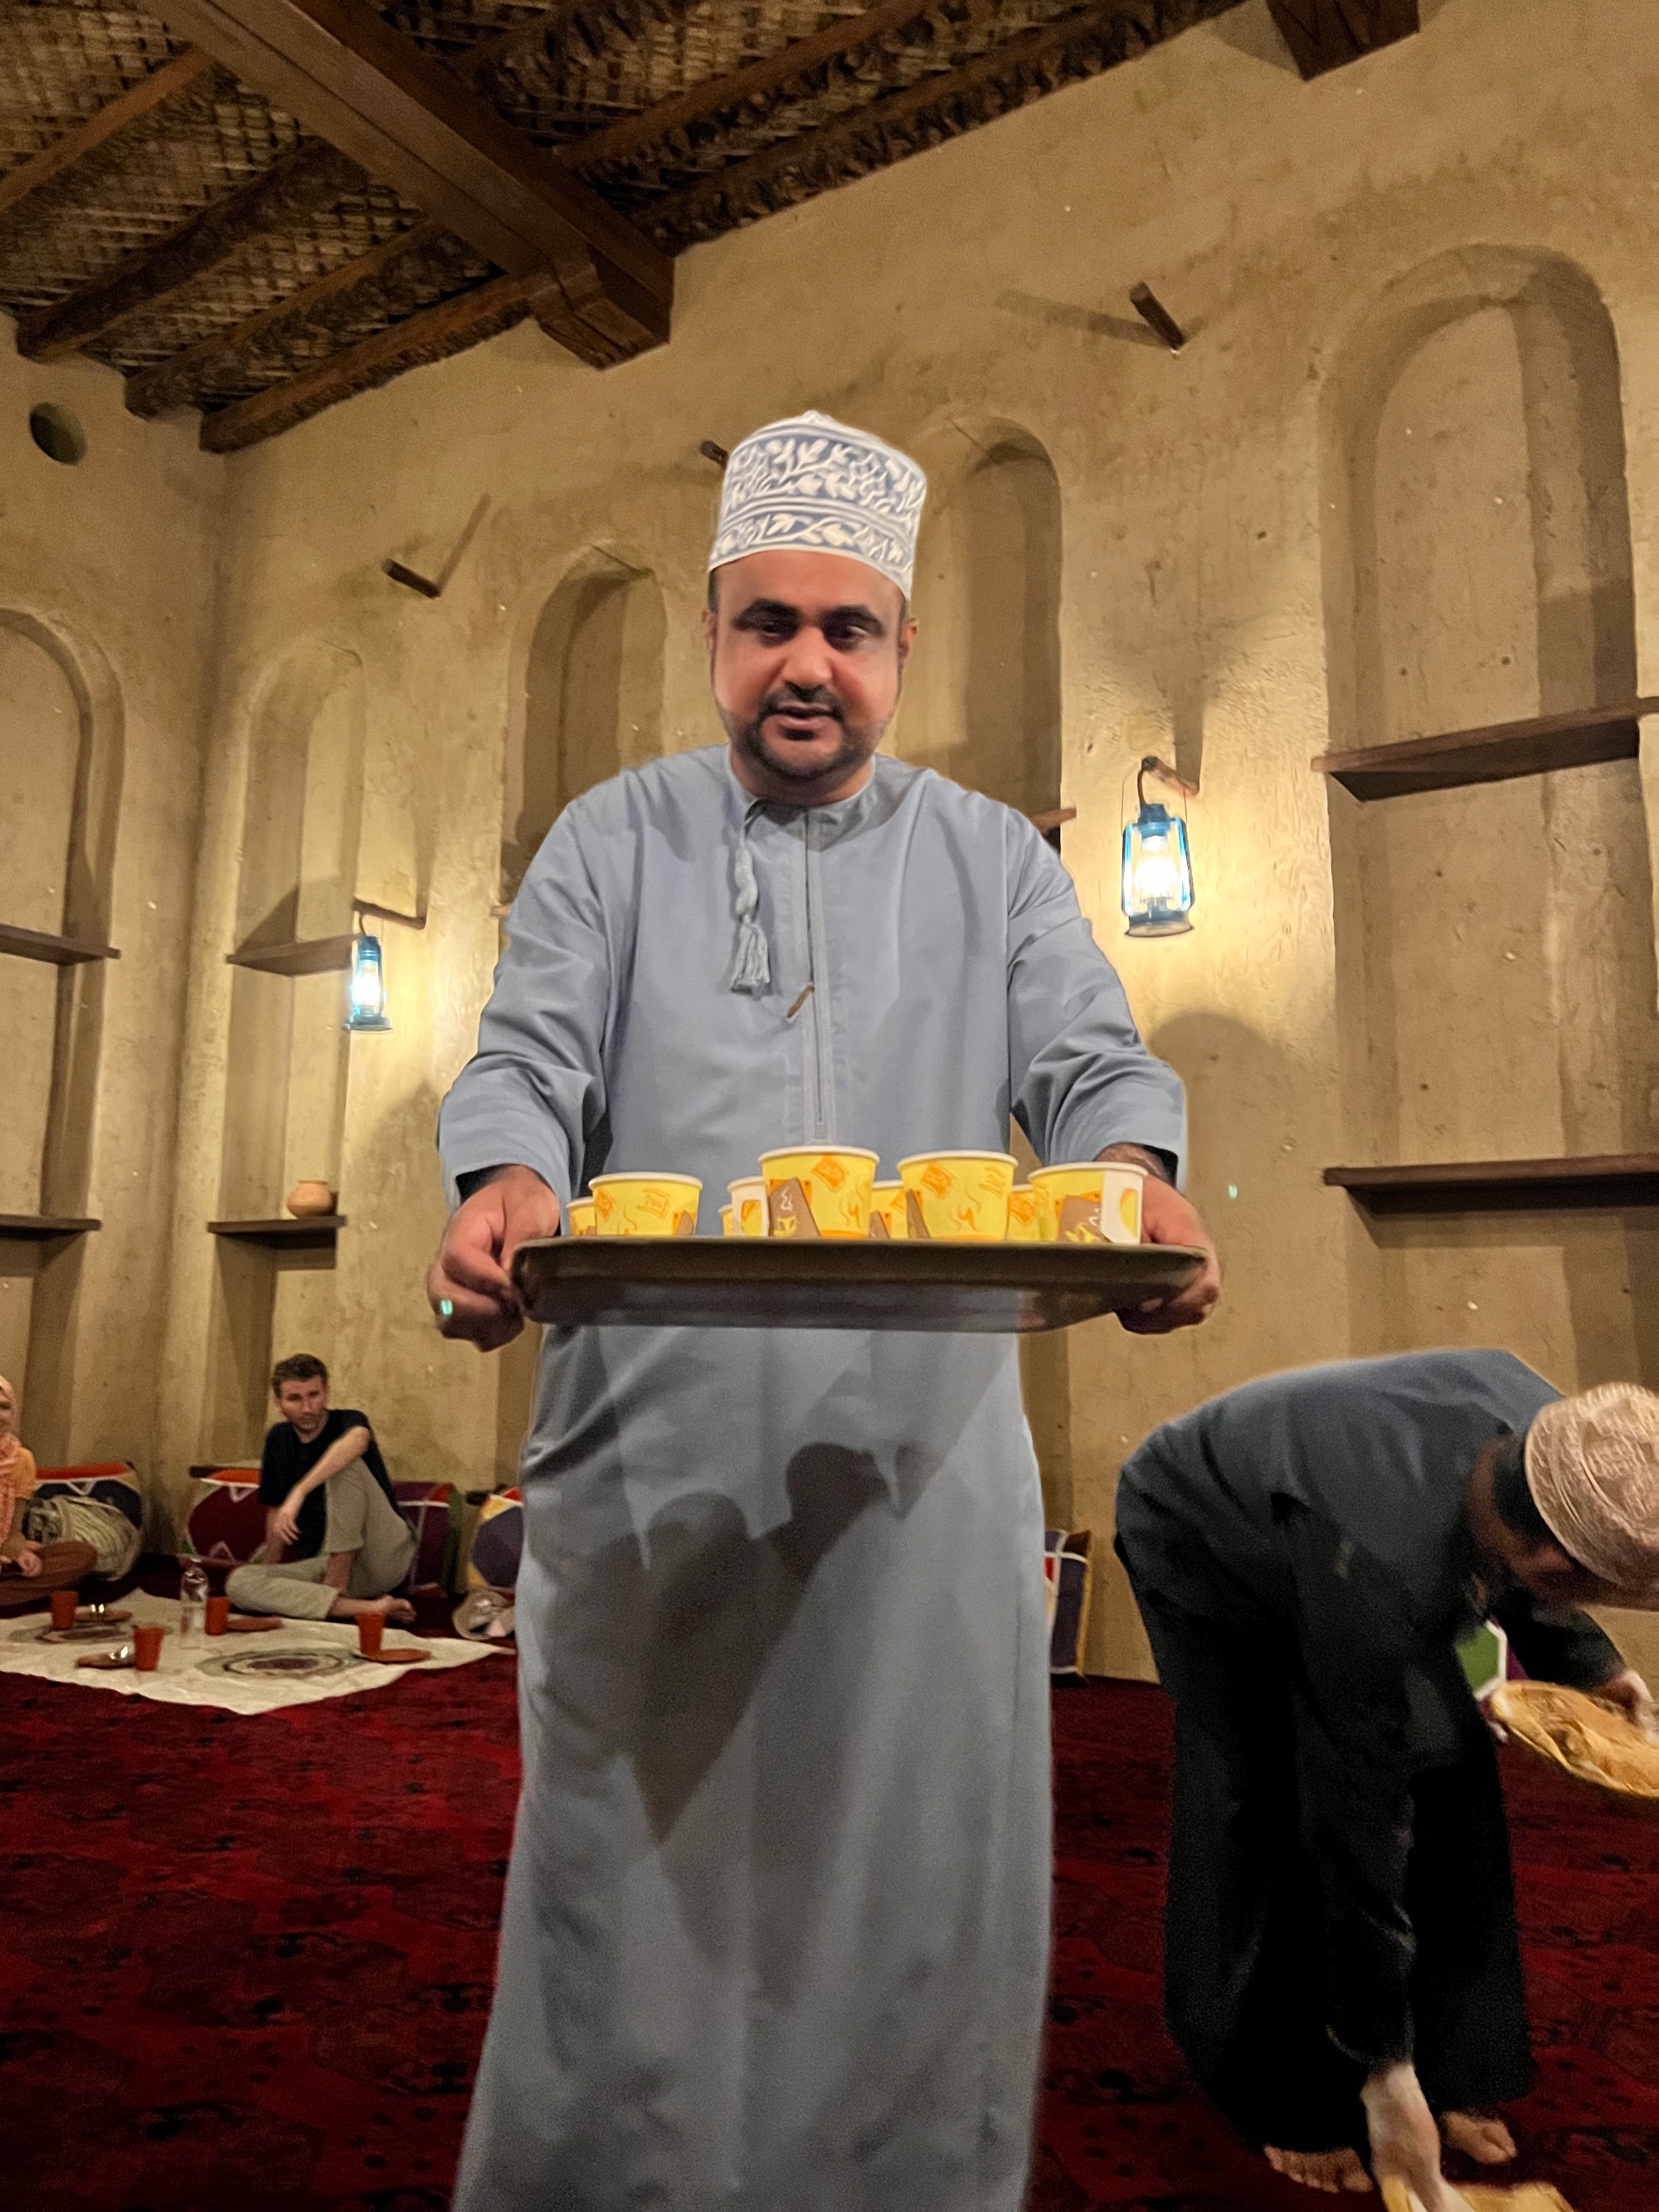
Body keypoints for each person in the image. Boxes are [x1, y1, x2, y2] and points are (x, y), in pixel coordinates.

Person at [428, 411, 1222, 2211]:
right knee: (626, 1899)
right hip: (650, 1457)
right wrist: (500, 1187)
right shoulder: (607, 840)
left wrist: (1138, 1167)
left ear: (897, 652)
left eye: (844, 628)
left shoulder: (993, 862)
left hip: (916, 1465)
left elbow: (1092, 1060)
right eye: (767, 620)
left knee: (906, 1902)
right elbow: (527, 1061)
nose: (805, 662)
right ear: (712, 634)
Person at [1115, 1352, 1659, 2208]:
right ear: (1552, 1564)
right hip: (1205, 1540)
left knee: (1450, 1752)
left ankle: (1454, 2058)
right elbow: (1355, 1818)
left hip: (1362, 1525)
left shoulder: (1578, 1438)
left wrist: (1592, 1662)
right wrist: (1382, 2068)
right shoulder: (1368, 1563)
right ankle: (1281, 2089)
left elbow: (1533, 1561)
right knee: (1267, 1794)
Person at [225, 1354, 416, 1624]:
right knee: (240, 1582)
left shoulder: (349, 1421)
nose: (307, 1408)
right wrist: (269, 1575)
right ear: (278, 1403)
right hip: (321, 1559)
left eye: (314, 1395)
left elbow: (358, 1440)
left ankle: (335, 1586)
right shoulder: (278, 1439)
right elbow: (276, 1512)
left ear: (326, 1393)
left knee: (344, 1466)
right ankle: (367, 1608)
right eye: (294, 1399)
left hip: (381, 1555)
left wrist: (299, 1493)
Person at [0, 1374, 96, 1610]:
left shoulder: (22, 1459)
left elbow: (11, 1532)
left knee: (81, 1554)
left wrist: (20, 1553)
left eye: (4, 1407)